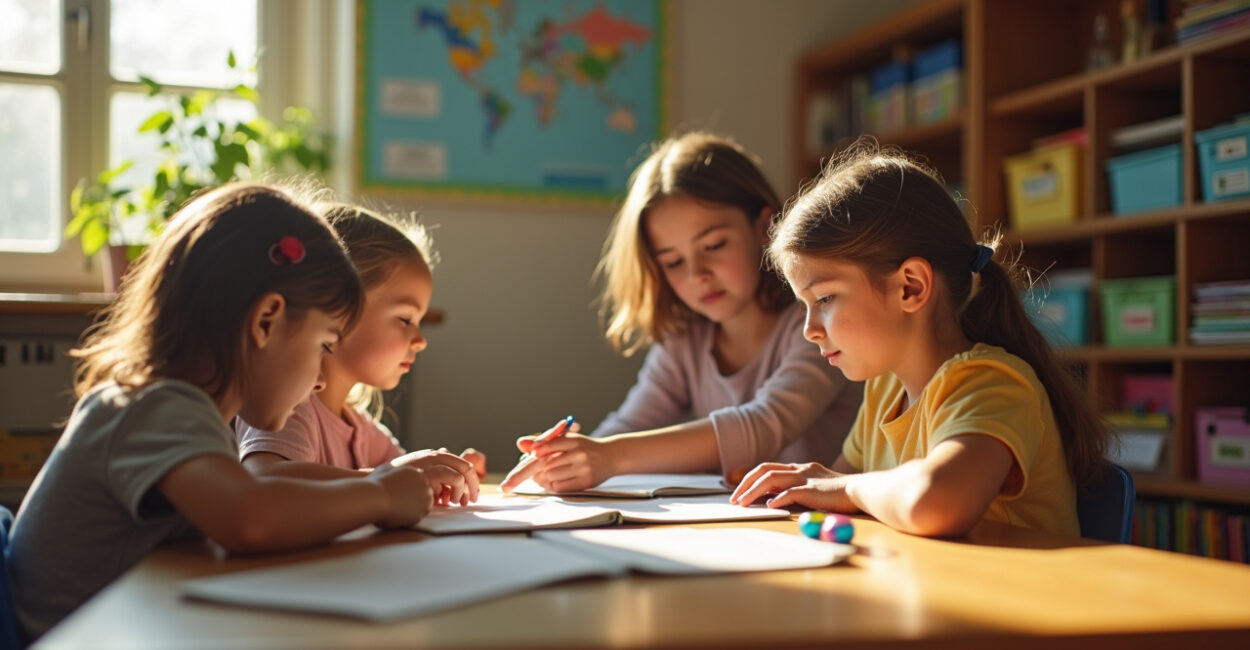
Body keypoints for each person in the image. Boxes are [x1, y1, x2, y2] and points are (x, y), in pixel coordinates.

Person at [8, 184, 433, 642]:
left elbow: (249, 507)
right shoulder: (155, 408)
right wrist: (380, 495)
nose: (319, 380)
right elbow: (249, 518)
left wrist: (380, 485)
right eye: (324, 346)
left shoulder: (181, 410)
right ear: (266, 322)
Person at [731, 141, 1111, 537]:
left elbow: (935, 504)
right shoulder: (883, 391)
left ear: (910, 287)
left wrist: (845, 486)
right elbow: (835, 496)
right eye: (805, 305)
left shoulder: (992, 384)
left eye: (824, 299)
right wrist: (812, 488)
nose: (808, 329)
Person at [501, 132, 862, 494]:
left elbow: (765, 425)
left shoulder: (819, 324)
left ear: (765, 226)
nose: (696, 275)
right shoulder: (687, 339)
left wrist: (609, 455)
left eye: (714, 245)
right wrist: (565, 459)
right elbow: (629, 427)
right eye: (673, 262)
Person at [235, 204, 484, 505]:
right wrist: (391, 478)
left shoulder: (363, 430)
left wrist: (448, 473)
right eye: (406, 319)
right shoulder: (286, 408)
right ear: (337, 308)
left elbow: (409, 479)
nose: (420, 341)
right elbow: (265, 480)